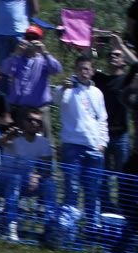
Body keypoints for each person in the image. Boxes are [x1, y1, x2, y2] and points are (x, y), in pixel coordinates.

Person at [59, 56, 109, 229]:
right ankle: (68, 229)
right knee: (71, 189)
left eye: (86, 69)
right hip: (72, 145)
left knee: (92, 191)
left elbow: (102, 119)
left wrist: (103, 142)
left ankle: (92, 230)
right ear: (75, 70)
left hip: (94, 146)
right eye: (80, 68)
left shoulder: (97, 93)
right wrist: (63, 88)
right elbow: (58, 100)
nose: (83, 72)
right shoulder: (67, 89)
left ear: (92, 71)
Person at [92, 35, 137, 211]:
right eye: (111, 55)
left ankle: (123, 211)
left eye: (117, 55)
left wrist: (121, 45)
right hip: (102, 136)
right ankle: (106, 209)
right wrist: (93, 47)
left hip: (121, 137)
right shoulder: (101, 79)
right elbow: (84, 65)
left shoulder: (127, 80)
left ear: (123, 61)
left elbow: (136, 64)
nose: (113, 57)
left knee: (123, 176)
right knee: (102, 176)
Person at [0, 106, 55, 242]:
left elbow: (47, 168)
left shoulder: (44, 143)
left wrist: (36, 176)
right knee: (15, 179)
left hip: (26, 182)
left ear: (41, 127)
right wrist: (6, 137)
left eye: (38, 122)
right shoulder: (13, 137)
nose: (33, 123)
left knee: (49, 184)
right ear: (23, 122)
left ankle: (51, 228)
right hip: (2, 181)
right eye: (30, 120)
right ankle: (11, 227)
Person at [0, 25, 60, 136]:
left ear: (40, 40)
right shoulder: (17, 59)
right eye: (28, 37)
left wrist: (45, 52)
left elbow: (56, 69)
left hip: (40, 110)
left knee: (44, 143)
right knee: (18, 142)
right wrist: (16, 53)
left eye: (35, 38)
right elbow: (4, 69)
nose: (31, 40)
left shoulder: (44, 60)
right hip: (20, 110)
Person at [0, 0, 36, 70]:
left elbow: (34, 9)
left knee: (23, 68)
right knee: (2, 69)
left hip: (21, 32)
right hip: (0, 33)